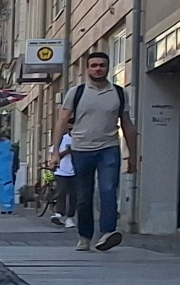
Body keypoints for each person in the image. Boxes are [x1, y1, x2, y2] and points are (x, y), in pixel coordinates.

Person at [49, 51, 138, 252]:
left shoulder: (118, 93)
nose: (98, 69)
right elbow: (62, 122)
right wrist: (55, 152)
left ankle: (107, 233)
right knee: (83, 195)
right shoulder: (76, 92)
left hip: (109, 147)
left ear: (108, 68)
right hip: (81, 149)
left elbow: (128, 125)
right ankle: (85, 236)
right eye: (94, 65)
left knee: (108, 190)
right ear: (87, 69)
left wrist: (132, 156)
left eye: (102, 65)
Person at [45, 133, 76, 229]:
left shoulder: (80, 138)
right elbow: (53, 156)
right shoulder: (62, 139)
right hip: (61, 171)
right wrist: (66, 152)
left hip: (75, 171)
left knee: (73, 195)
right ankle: (59, 213)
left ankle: (69, 217)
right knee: (61, 192)